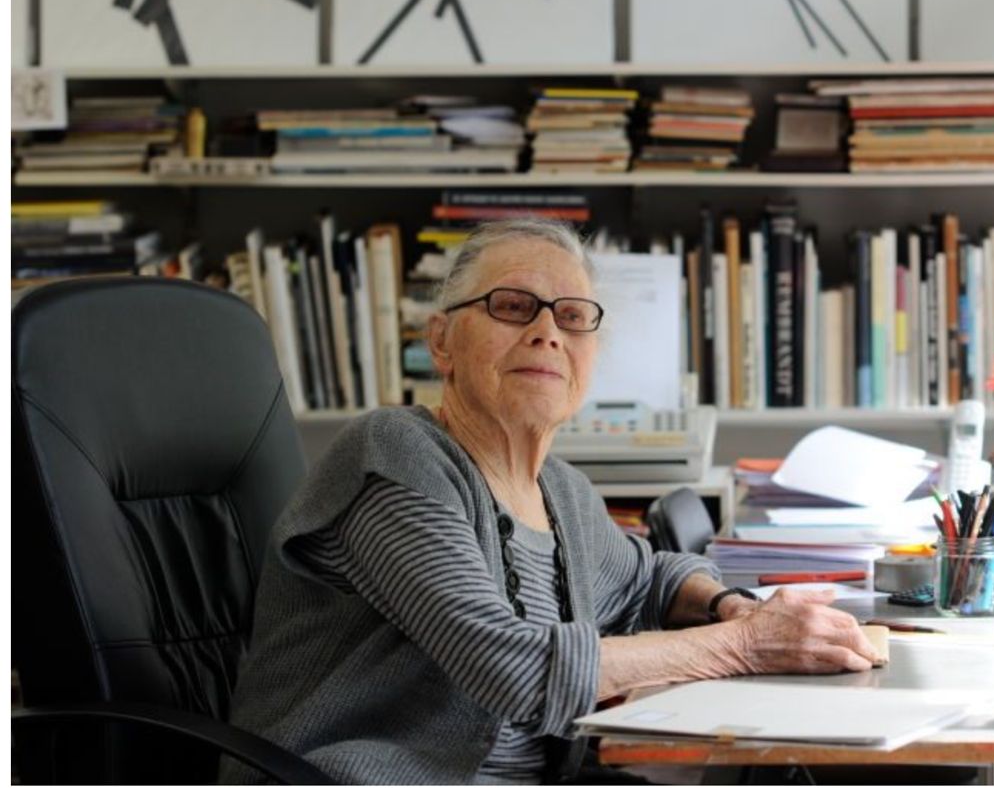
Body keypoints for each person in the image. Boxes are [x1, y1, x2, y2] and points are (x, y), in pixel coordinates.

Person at [224, 219, 882, 785]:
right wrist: (742, 645)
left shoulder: (561, 490)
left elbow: (646, 576)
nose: (547, 333)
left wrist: (727, 604)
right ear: (442, 342)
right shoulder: (394, 453)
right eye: (513, 306)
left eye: (572, 316)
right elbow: (509, 666)